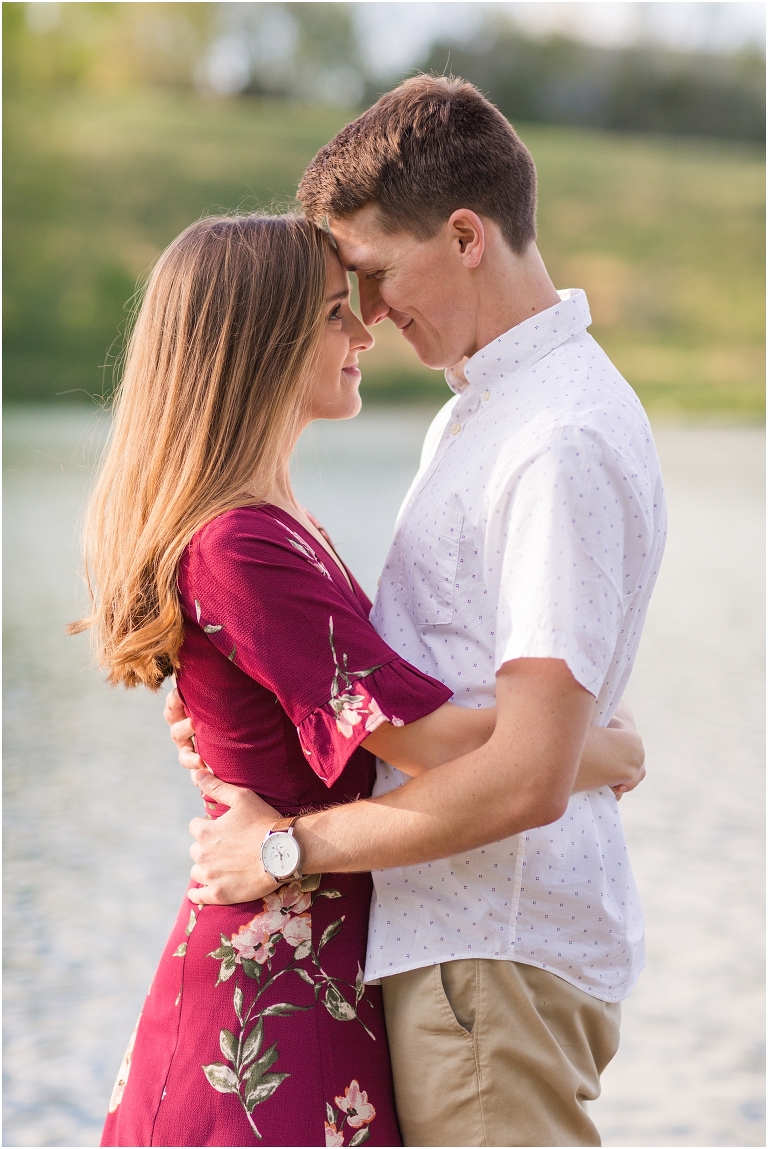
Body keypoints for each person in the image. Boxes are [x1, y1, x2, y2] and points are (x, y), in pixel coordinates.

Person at [72, 212, 644, 1148]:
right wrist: (609, 745)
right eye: (337, 314)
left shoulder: (276, 522)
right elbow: (432, 741)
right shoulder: (240, 544)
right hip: (270, 996)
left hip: (321, 967)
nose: (364, 333)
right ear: (261, 346)